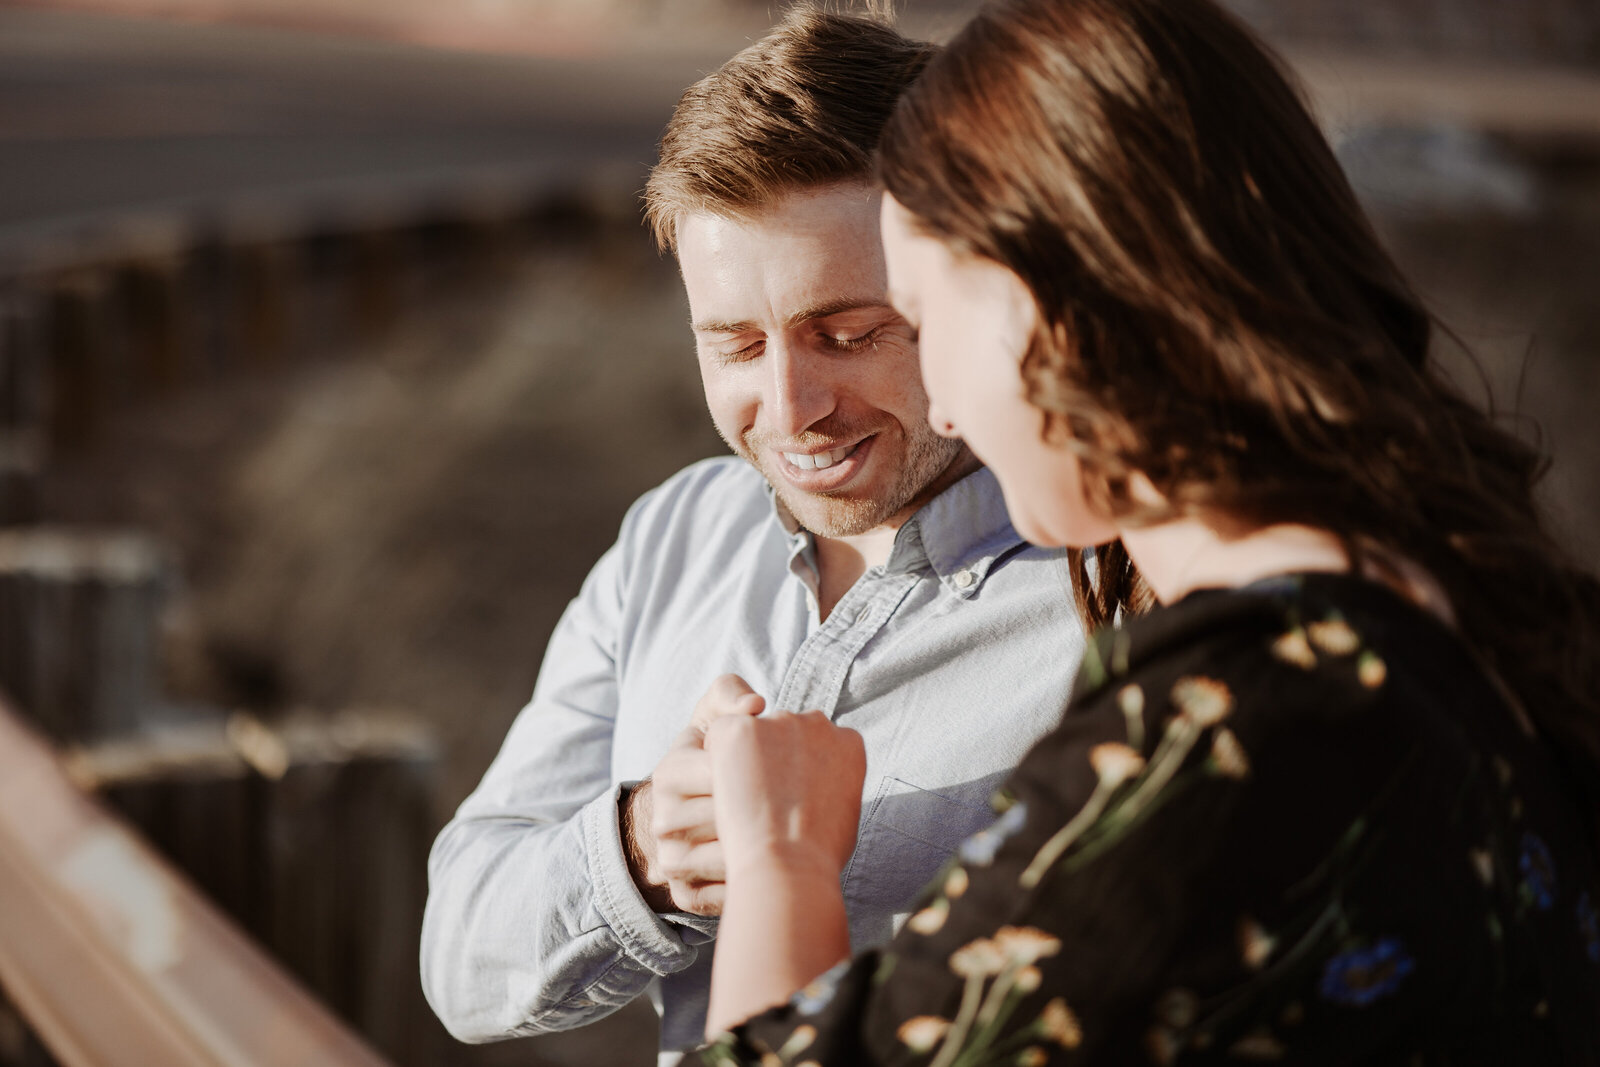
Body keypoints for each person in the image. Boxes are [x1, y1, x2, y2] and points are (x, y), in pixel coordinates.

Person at [686, 0, 1600, 1062]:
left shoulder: (1224, 730)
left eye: (920, 323)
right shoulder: (1482, 626)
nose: (942, 406)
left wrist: (781, 857)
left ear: (1054, 310)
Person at [418, 7, 1085, 1059]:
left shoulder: (1117, 583)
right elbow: (461, 961)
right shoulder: (674, 533)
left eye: (850, 333)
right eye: (733, 344)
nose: (788, 408)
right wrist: (642, 852)